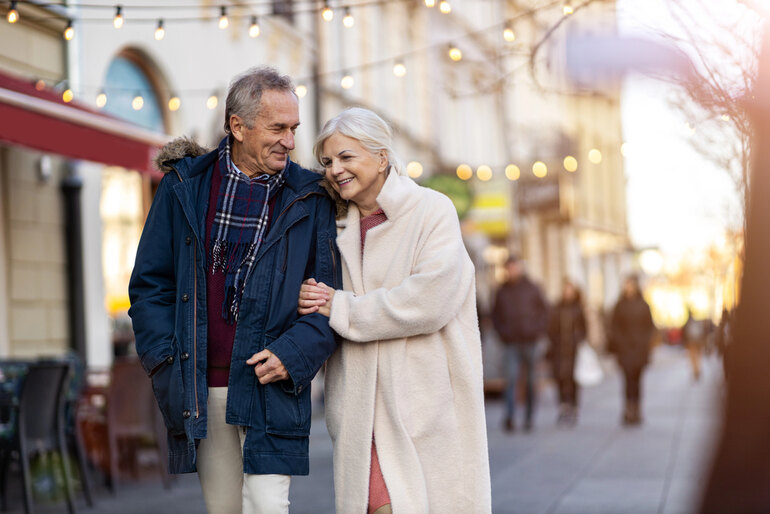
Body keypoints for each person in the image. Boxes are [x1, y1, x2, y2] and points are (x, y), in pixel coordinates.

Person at [128, 67, 340, 514]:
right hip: (202, 390)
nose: (290, 141)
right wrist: (166, 362)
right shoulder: (183, 187)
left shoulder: (310, 197)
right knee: (222, 509)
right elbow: (150, 285)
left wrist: (293, 354)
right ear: (237, 126)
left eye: (294, 129)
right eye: (278, 128)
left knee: (267, 506)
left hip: (271, 386)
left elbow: (328, 300)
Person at [297, 107, 491, 514]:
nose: (335, 170)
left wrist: (342, 306)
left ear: (381, 157)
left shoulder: (432, 210)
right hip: (358, 410)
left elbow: (429, 300)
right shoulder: (332, 225)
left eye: (347, 157)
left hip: (424, 404)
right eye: (328, 161)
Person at [491, 256, 549, 433]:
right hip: (510, 342)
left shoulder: (532, 288)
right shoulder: (501, 291)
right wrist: (503, 333)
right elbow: (495, 315)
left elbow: (545, 311)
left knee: (531, 381)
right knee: (511, 379)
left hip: (530, 341)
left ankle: (529, 417)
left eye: (514, 267)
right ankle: (510, 416)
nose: (512, 271)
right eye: (509, 268)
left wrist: (537, 331)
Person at [609, 275, 655, 426]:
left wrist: (645, 343)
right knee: (627, 380)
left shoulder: (643, 305)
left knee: (637, 381)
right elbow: (613, 327)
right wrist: (619, 342)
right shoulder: (619, 306)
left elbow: (650, 327)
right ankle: (628, 409)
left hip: (639, 350)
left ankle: (637, 409)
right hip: (625, 350)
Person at [546, 279, 586, 427]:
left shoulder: (578, 309)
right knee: (560, 379)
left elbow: (584, 329)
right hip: (559, 351)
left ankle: (574, 407)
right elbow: (550, 327)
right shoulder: (557, 308)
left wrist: (578, 339)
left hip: (573, 351)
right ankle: (563, 406)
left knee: (573, 379)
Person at [682, 308, 706, 381]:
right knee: (696, 357)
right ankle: (696, 371)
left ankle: (696, 371)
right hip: (695, 342)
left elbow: (684, 334)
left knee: (694, 358)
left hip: (692, 342)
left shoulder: (688, 323)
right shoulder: (695, 323)